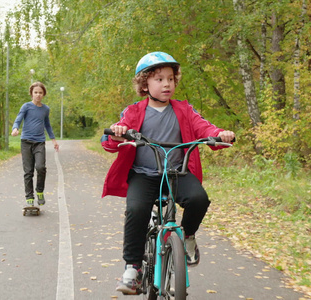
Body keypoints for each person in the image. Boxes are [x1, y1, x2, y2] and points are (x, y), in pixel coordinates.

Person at [100, 52, 235, 294]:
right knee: (136, 210)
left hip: (177, 174)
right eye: (159, 79)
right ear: (145, 84)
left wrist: (220, 134)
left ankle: (189, 237)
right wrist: (118, 133)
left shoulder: (184, 109)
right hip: (143, 174)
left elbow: (205, 128)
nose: (166, 84)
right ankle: (133, 268)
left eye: (171, 79)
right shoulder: (133, 112)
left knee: (198, 199)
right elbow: (110, 141)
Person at [12, 82, 59, 207]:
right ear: (31, 94)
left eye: (40, 93)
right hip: (26, 142)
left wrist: (53, 140)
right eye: (35, 92)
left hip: (39, 142)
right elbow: (18, 119)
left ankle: (39, 191)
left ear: (43, 94)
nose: (38, 95)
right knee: (28, 171)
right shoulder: (26, 106)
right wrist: (15, 128)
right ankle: (29, 196)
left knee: (40, 167)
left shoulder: (45, 109)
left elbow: (47, 125)